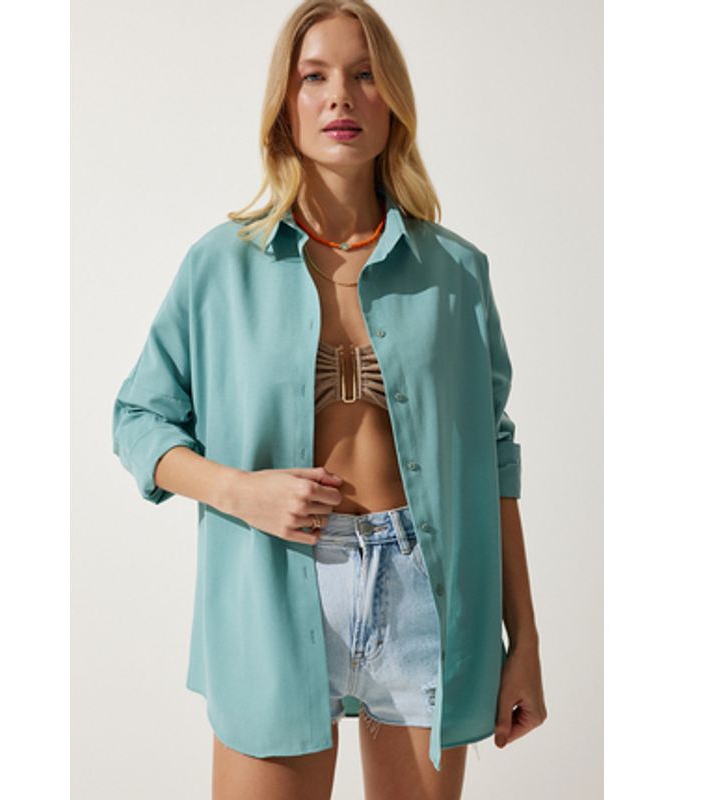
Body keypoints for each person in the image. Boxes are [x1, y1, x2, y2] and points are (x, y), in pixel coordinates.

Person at [112, 1, 546, 798]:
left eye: (365, 75)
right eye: (314, 76)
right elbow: (138, 419)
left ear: (394, 102)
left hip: (425, 595)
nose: (340, 95)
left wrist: (524, 643)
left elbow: (495, 460)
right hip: (272, 591)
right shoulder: (221, 266)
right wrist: (241, 491)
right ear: (285, 104)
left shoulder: (456, 273)